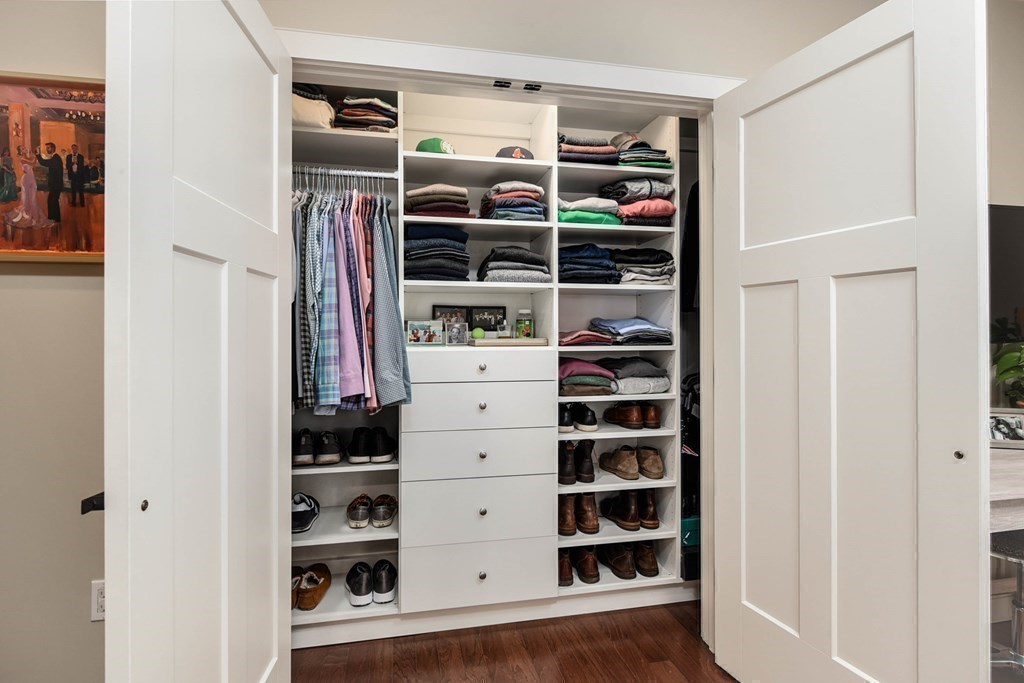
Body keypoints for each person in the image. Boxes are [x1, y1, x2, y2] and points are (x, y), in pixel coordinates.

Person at [14, 145, 45, 225]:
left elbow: (34, 162)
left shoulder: (27, 157)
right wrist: (36, 153)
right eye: (23, 148)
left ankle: (34, 216)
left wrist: (35, 154)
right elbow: (33, 163)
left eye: (24, 147)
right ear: (21, 151)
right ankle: (32, 216)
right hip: (26, 180)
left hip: (31, 178)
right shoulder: (23, 159)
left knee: (32, 198)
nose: (25, 149)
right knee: (28, 198)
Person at [35, 143, 63, 223]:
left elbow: (44, 163)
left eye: (48, 148)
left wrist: (37, 154)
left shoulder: (55, 158)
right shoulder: (55, 158)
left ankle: (54, 219)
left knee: (52, 201)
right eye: (47, 148)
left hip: (56, 184)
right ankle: (54, 218)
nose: (47, 149)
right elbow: (52, 168)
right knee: (52, 201)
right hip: (55, 184)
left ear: (53, 148)